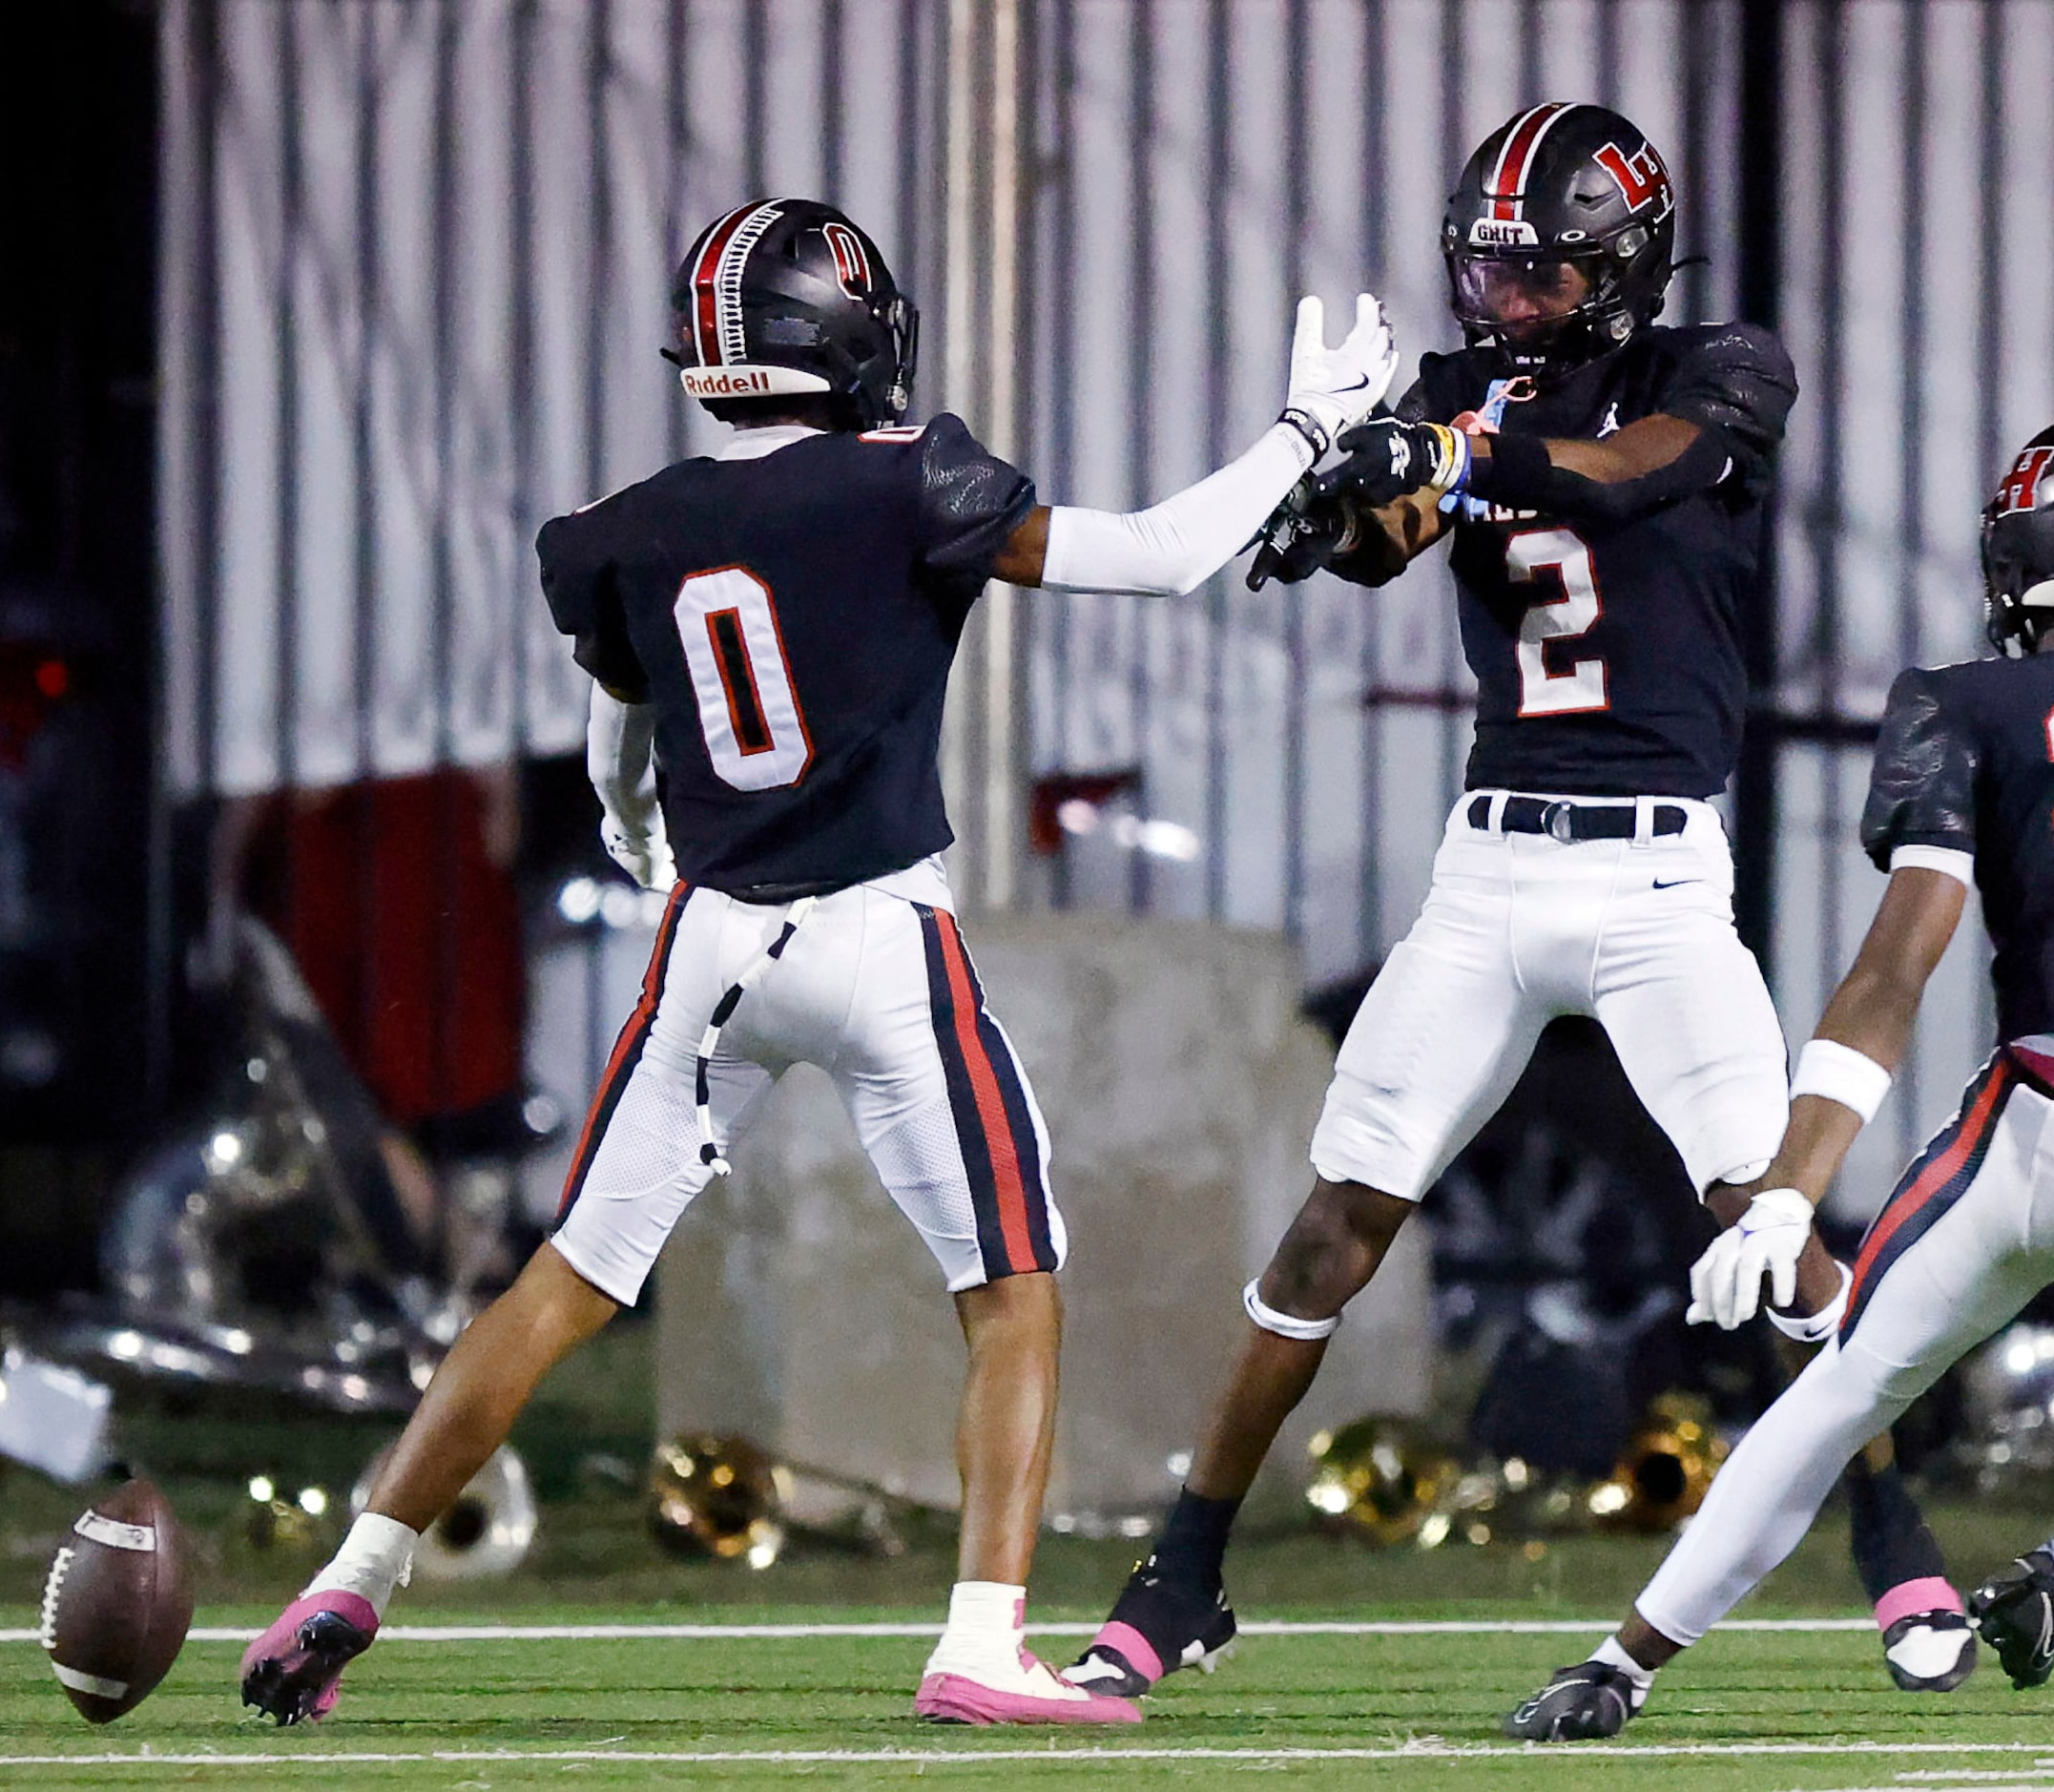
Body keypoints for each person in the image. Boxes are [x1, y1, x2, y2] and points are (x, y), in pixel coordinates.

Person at [239, 197, 1399, 1728]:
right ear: (845, 338)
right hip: (877, 935)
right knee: (1011, 1286)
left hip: (709, 941)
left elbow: (621, 722)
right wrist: (1306, 429)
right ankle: (982, 1638)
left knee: (561, 1281)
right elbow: (1165, 558)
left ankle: (354, 1574)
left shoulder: (627, 526)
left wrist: (635, 822)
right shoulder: (905, 478)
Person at [1065, 102, 1975, 1706]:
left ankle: (1894, 1538)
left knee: (1767, 1223)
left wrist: (1456, 448)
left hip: (1656, 880)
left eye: (1542, 278)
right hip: (1485, 872)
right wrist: (1328, 480)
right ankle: (1183, 1568)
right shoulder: (1457, 393)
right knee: (1334, 1223)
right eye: (1491, 275)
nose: (1508, 306)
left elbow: (1630, 479)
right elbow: (1380, 534)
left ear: (1620, 269)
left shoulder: (1720, 370)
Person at [1501, 406, 2054, 1740]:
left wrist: (1790, 1195)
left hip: (2028, 1147)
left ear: (2026, 553)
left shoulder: (1966, 705)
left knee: (1840, 1394)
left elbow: (1888, 978)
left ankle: (1616, 1665)